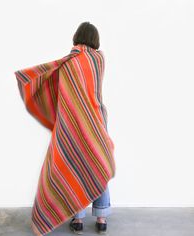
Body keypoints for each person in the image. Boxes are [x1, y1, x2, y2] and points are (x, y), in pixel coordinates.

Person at [69, 22, 111, 235]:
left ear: (77, 37)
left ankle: (78, 219)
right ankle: (102, 218)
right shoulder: (100, 59)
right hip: (98, 118)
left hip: (76, 120)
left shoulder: (71, 59)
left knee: (77, 168)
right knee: (99, 166)